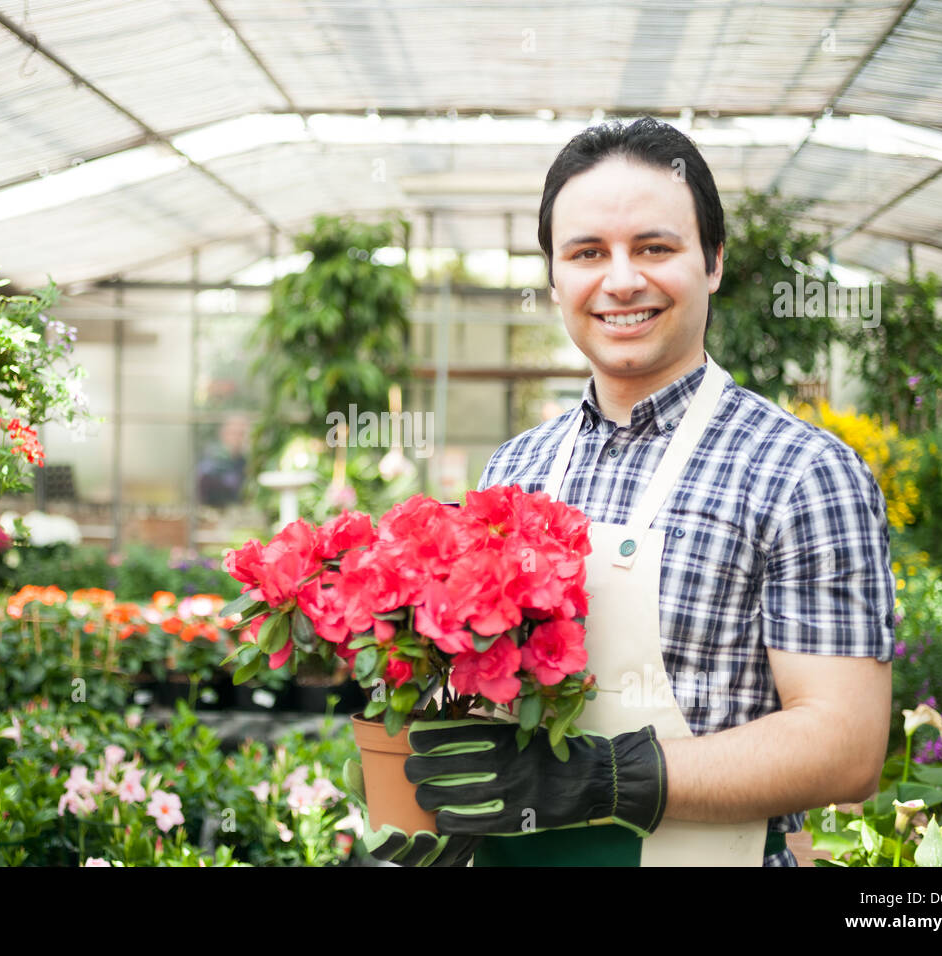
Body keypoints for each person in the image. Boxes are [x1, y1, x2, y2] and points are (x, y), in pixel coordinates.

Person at [358, 116, 894, 867]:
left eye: (654, 247)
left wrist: (613, 779)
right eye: (587, 253)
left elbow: (845, 747)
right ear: (554, 279)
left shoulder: (802, 473)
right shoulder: (514, 472)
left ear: (711, 261)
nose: (620, 281)